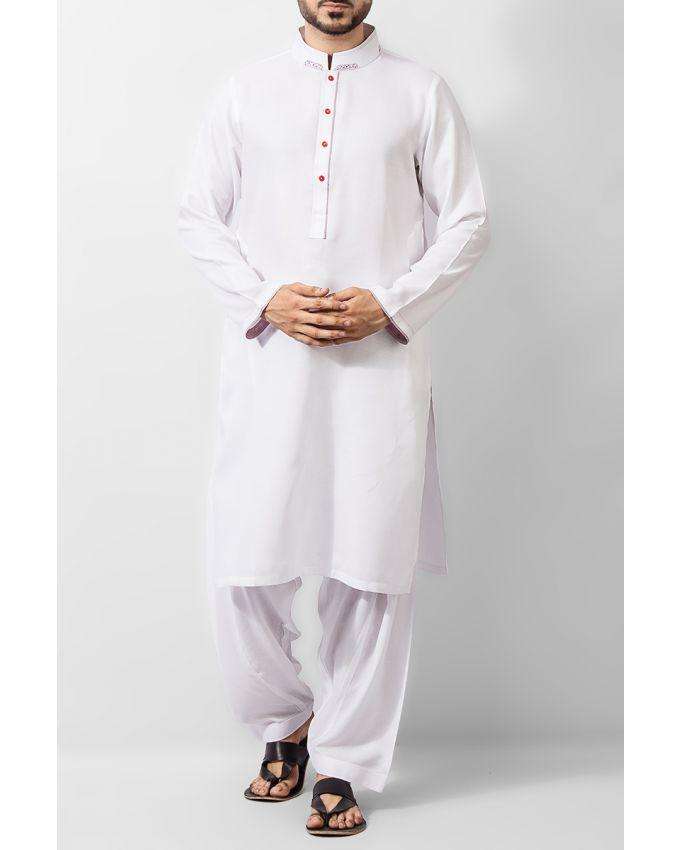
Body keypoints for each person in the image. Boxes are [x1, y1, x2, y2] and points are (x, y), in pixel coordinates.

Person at [178, 0, 489, 837]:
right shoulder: (244, 91)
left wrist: (392, 302)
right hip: (268, 366)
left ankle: (345, 761)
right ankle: (283, 724)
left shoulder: (420, 92)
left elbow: (467, 221)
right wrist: (263, 298)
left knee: (369, 566)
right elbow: (197, 213)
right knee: (246, 561)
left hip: (378, 369)